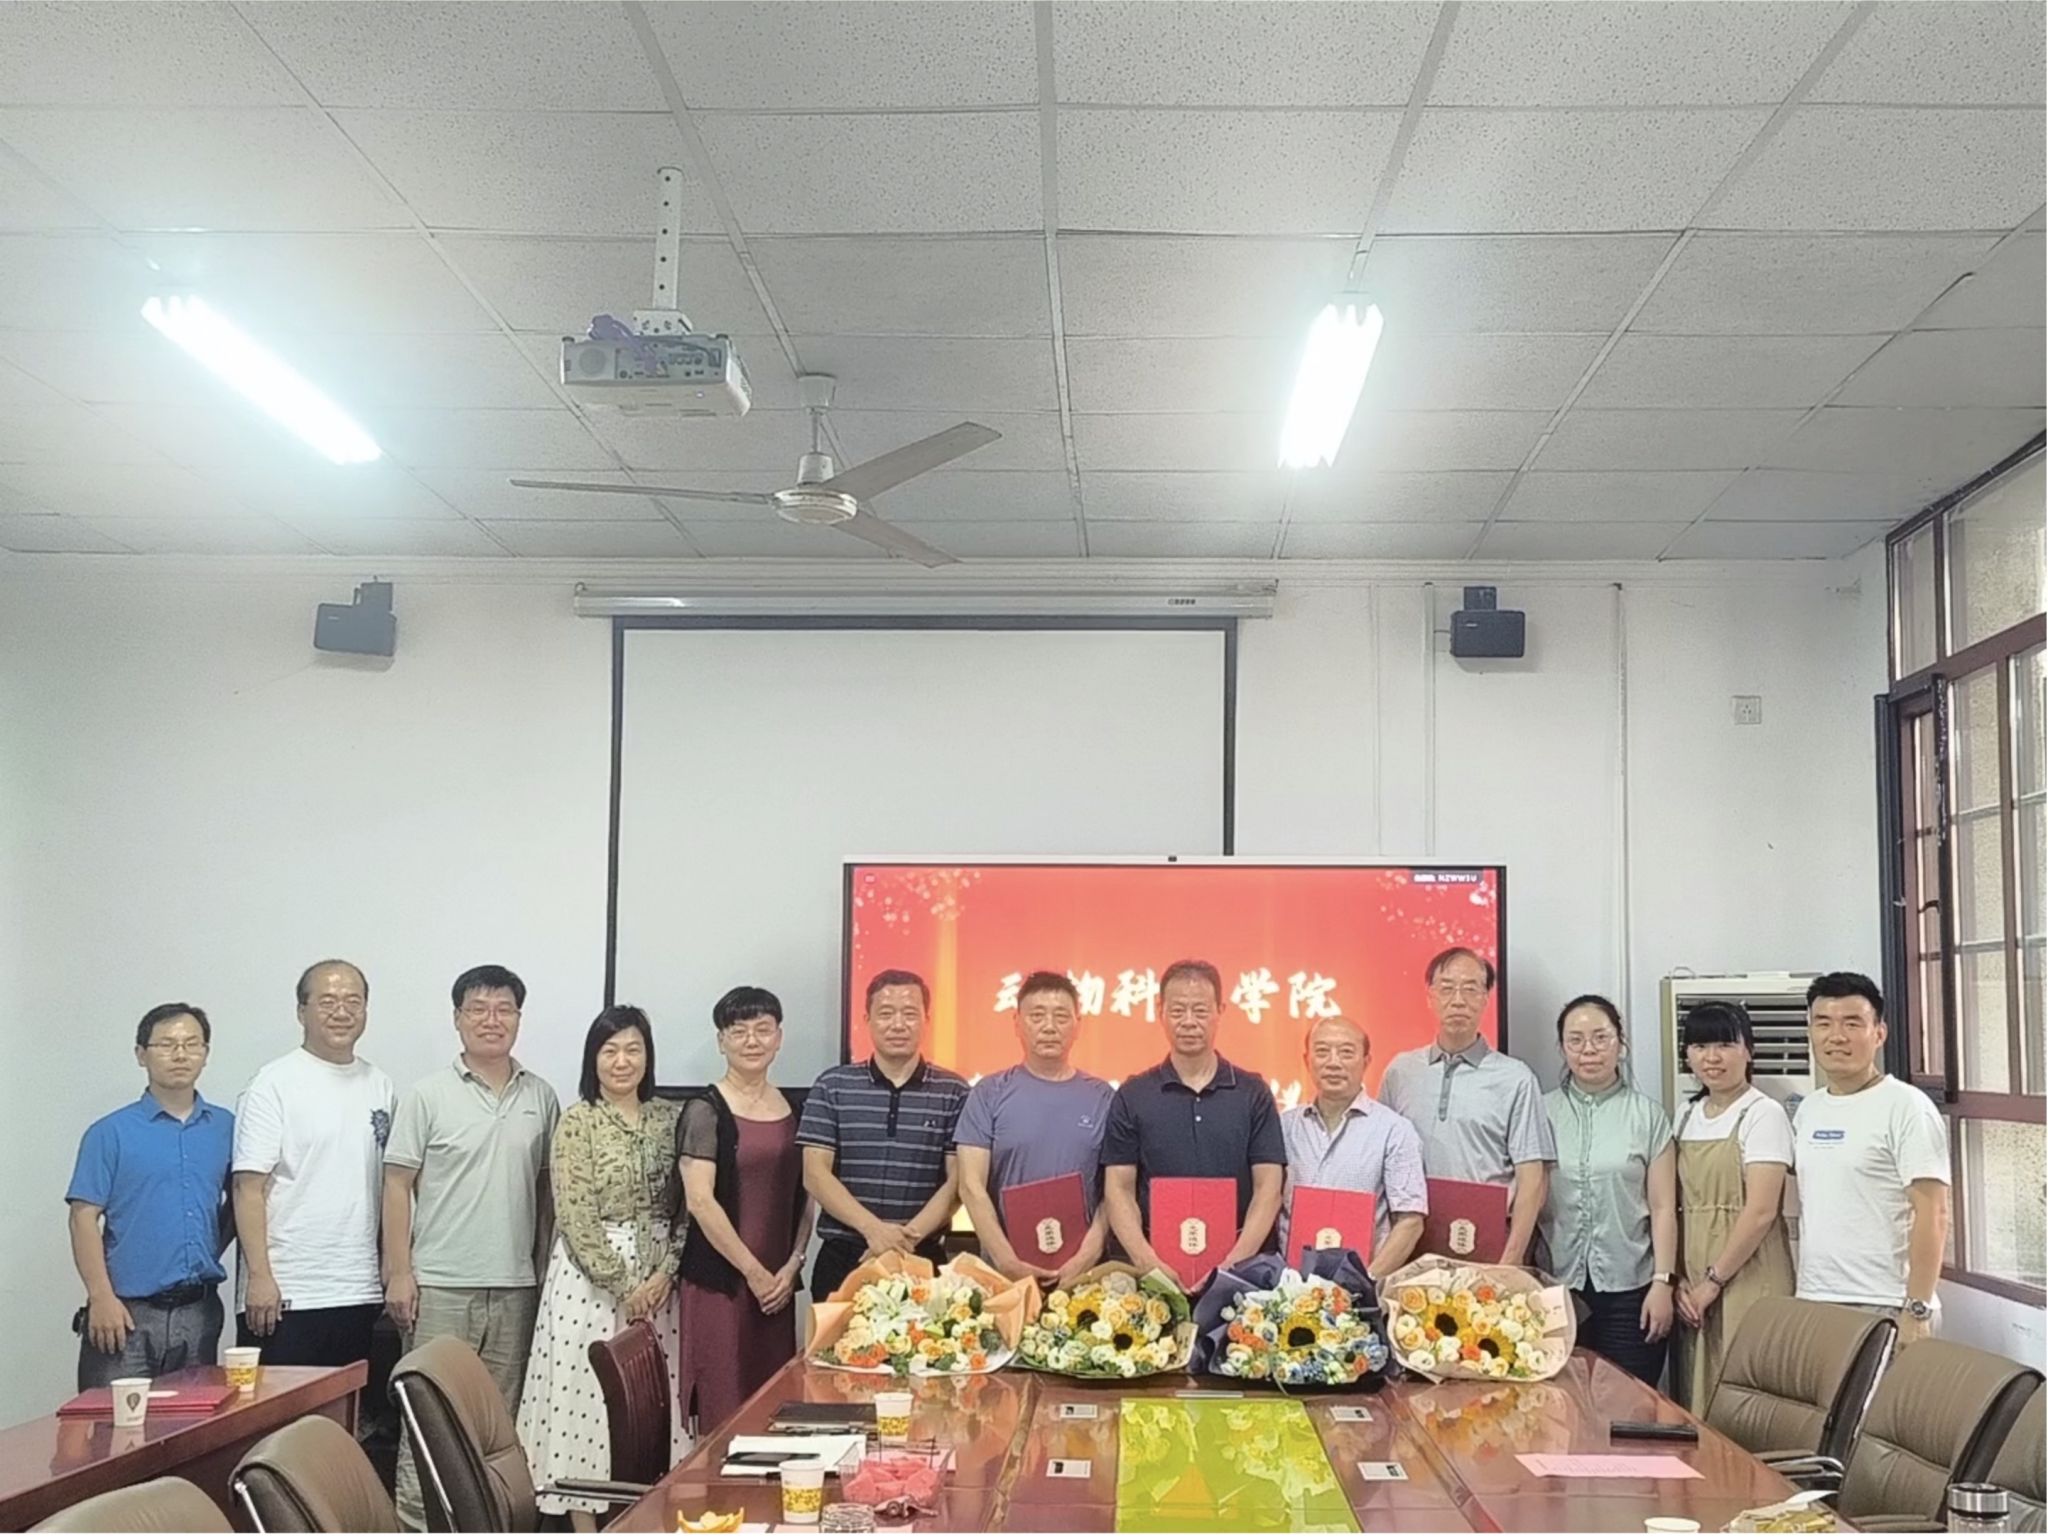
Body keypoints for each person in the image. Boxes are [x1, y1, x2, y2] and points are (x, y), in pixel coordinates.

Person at [382, 965, 560, 1531]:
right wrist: (400, 1272)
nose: (492, 1019)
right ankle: (417, 1526)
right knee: (427, 1421)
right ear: (457, 1019)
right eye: (478, 1009)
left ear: (519, 1019)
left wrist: (542, 1272)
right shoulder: (427, 1095)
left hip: (515, 1287)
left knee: (497, 1428)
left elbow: (547, 1195)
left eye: (504, 1009)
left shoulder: (541, 1096)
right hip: (439, 1285)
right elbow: (396, 1185)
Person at [517, 1006, 685, 1525]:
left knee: (657, 1399)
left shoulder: (672, 1118)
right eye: (609, 1050)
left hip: (661, 1282)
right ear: (593, 1058)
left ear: (648, 1057)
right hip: (589, 1283)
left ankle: (653, 1519)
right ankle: (584, 1524)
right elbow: (574, 1214)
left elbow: (688, 1207)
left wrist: (666, 1271)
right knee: (585, 1398)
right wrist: (624, 1284)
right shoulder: (578, 1121)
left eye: (633, 1049)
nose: (621, 1061)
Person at [233, 960, 395, 1367]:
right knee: (282, 1408)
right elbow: (247, 1188)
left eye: (353, 1001)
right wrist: (260, 1277)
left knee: (347, 1407)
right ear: (301, 1011)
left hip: (359, 1288)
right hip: (288, 1292)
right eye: (327, 1001)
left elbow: (389, 1186)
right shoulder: (273, 1084)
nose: (342, 1012)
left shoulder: (380, 1084)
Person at [66, 1003, 235, 1389]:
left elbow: (242, 1199)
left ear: (206, 1053)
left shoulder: (225, 1127)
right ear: (141, 1054)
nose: (180, 1054)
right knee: (114, 1422)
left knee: (193, 1422)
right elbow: (82, 1217)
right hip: (126, 1312)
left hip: (200, 1309)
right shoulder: (110, 1132)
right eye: (166, 1044)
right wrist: (101, 1297)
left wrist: (210, 1248)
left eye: (192, 1043)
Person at [674, 986, 815, 1437]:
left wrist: (792, 1266)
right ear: (721, 1041)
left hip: (777, 1289)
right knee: (725, 1413)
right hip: (723, 1285)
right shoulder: (705, 1110)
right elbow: (700, 1201)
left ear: (779, 1037)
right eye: (738, 1031)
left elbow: (807, 1195)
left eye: (763, 1029)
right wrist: (754, 1273)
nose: (752, 1041)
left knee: (776, 1412)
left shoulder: (796, 1108)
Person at [1102, 959, 1286, 1285]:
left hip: (1239, 1277)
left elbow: (1268, 1189)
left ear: (1220, 1011)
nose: (1189, 1022)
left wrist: (1231, 1267)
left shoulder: (1253, 1093)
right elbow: (1119, 1188)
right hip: (1155, 1276)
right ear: (1160, 1011)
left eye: (1200, 1011)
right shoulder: (1133, 1095)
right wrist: (1148, 1263)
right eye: (1178, 1011)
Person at [1792, 972, 1950, 1346]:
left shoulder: (1906, 1106)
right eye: (1823, 1023)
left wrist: (1917, 1309)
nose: (1836, 1036)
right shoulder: (1809, 1109)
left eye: (1852, 1023)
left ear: (1879, 1034)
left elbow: (1934, 1213)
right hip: (1815, 1297)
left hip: (1886, 1303)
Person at [799, 970, 969, 1301]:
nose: (898, 1024)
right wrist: (874, 1231)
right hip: (845, 1255)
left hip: (922, 1255)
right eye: (886, 1013)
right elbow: (815, 1174)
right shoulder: (832, 1086)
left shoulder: (954, 1091)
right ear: (867, 1019)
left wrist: (901, 1242)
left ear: (926, 1020)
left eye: (910, 1013)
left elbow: (958, 1182)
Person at [1379, 947, 1555, 1266]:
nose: (1458, 1000)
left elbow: (1532, 1179)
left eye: (1471, 988)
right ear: (1430, 996)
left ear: (1486, 997)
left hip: (1488, 1247)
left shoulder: (1515, 1078)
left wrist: (1510, 1262)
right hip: (1412, 1248)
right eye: (1447, 988)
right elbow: (1382, 1161)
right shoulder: (1400, 1072)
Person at [1541, 994, 1678, 1385]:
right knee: (1560, 1407)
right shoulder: (1541, 1112)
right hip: (1558, 1290)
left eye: (1601, 1038)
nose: (1589, 1050)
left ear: (1621, 1043)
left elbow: (1663, 1207)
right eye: (1576, 1040)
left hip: (1632, 1291)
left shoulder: (1647, 1115)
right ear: (1562, 1048)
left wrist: (1663, 1283)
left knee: (1627, 1405)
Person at [1669, 1000, 1795, 1416]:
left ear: (1749, 1051)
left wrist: (1713, 1281)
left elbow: (1760, 1211)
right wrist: (1679, 1279)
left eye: (1724, 1044)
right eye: (1700, 1046)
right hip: (1693, 1277)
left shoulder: (1764, 1114)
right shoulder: (1685, 1115)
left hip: (1748, 1271)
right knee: (1698, 1392)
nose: (1712, 1057)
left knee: (1746, 1394)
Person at [956, 971, 1116, 1286]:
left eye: (1061, 1016)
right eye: (1037, 1016)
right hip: (1005, 1275)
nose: (1049, 1027)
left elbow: (1116, 1191)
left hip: (1083, 1276)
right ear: (1017, 1022)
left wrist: (1086, 1257)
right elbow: (970, 1185)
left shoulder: (1104, 1098)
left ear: (1078, 1024)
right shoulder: (989, 1093)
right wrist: (1005, 1260)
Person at [1276, 1016, 1427, 1279]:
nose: (1333, 1062)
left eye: (1346, 1052)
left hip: (1362, 1291)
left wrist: (1364, 1281)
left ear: (1366, 1061)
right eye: (1322, 1051)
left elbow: (1410, 1222)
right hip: (1287, 1289)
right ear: (1307, 1060)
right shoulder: (1283, 1126)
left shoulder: (1394, 1130)